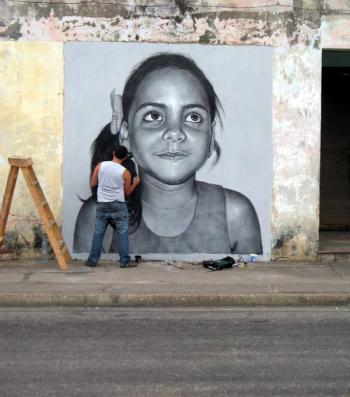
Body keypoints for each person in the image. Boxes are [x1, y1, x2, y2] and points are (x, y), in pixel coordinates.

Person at [74, 52, 262, 255]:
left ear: (210, 136)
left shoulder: (235, 215)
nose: (175, 133)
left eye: (193, 117)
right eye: (154, 115)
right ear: (126, 135)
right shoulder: (98, 216)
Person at [85, 145, 141, 267]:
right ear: (125, 157)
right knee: (122, 233)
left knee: (98, 233)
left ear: (114, 152)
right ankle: (124, 261)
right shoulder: (125, 172)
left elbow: (93, 183)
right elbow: (127, 192)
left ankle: (92, 260)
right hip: (118, 205)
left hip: (102, 204)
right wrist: (135, 183)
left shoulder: (100, 166)